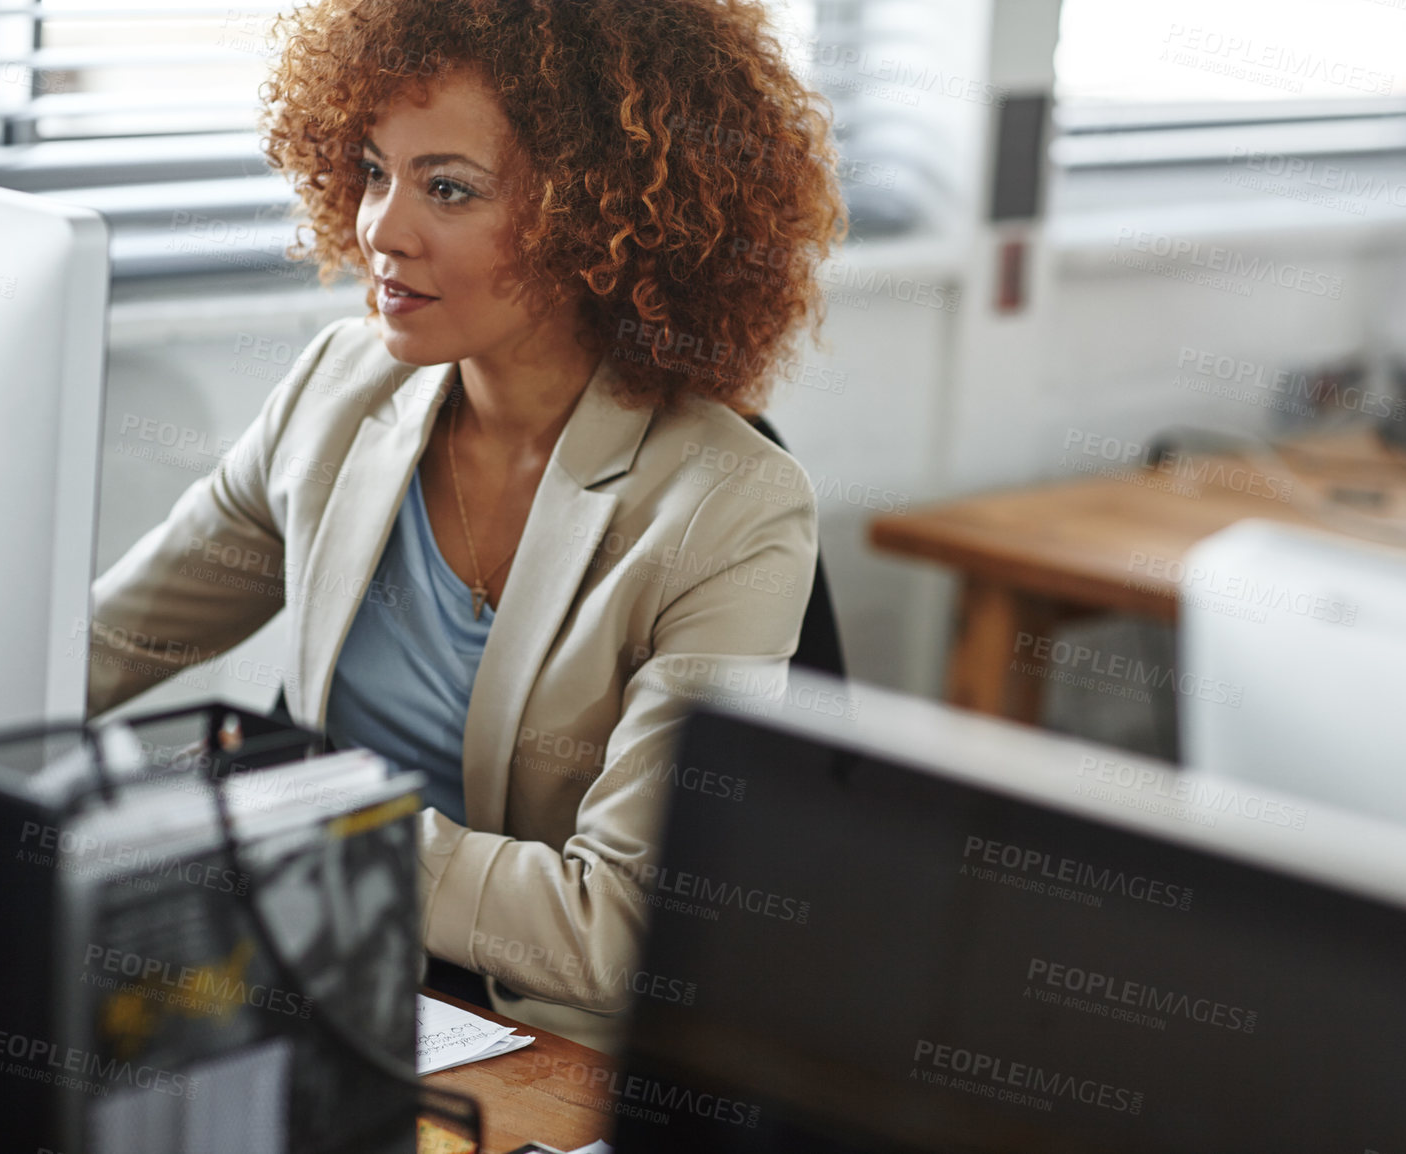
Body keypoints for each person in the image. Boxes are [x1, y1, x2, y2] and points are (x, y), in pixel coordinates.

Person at [86, 0, 845, 1051]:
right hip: (322, 991)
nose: (381, 229)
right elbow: (110, 641)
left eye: (447, 187)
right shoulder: (335, 389)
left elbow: (618, 928)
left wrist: (318, 828)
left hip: (543, 1053)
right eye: (371, 169)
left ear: (594, 212)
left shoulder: (728, 505)